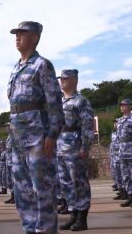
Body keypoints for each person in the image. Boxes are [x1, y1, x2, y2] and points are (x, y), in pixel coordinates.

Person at [7, 21, 64, 234]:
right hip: (18, 138)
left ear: (35, 37)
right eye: (16, 34)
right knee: (22, 191)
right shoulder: (16, 67)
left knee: (43, 189)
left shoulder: (42, 65)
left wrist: (52, 134)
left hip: (38, 137)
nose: (17, 37)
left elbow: (54, 103)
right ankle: (29, 229)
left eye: (22, 33)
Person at [56, 69, 95, 231]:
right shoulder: (60, 102)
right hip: (60, 147)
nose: (61, 81)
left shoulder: (81, 101)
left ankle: (82, 217)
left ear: (74, 80)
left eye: (65, 78)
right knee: (65, 183)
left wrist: (85, 146)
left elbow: (87, 125)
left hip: (75, 146)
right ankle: (73, 214)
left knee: (78, 183)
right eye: (61, 79)